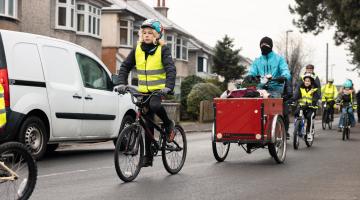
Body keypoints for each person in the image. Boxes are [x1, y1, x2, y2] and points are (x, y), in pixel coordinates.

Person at [116, 19, 176, 167]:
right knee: (146, 124)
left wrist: (168, 86)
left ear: (156, 35)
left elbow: (170, 69)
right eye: (144, 33)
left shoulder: (163, 50)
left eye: (150, 33)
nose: (147, 35)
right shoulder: (137, 49)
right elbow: (125, 66)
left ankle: (168, 124)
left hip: (159, 90)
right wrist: (121, 83)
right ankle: (148, 157)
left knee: (155, 106)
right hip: (143, 91)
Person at [247, 36, 292, 139]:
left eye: (266, 45)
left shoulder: (279, 59)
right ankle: (254, 128)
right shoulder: (257, 61)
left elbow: (286, 71)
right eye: (262, 45)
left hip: (276, 88)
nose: (264, 47)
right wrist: (250, 76)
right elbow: (252, 71)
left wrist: (283, 77)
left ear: (271, 46)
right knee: (253, 104)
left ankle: (281, 130)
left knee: (275, 108)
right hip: (261, 88)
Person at [292, 73, 320, 141]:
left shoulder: (314, 89)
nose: (307, 82)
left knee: (309, 116)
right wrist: (291, 100)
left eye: (308, 81)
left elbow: (316, 97)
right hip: (302, 106)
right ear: (304, 81)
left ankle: (309, 133)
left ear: (311, 82)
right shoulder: (301, 88)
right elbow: (296, 96)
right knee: (296, 113)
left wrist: (313, 102)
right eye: (305, 81)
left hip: (311, 107)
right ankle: (297, 129)